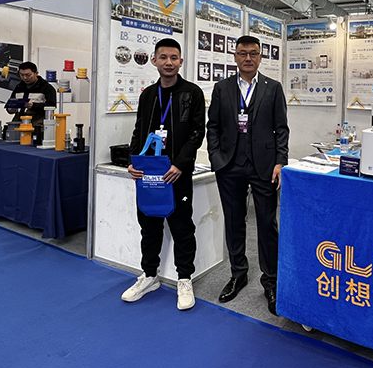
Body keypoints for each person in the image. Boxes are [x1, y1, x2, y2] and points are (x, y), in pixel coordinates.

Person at [207, 35, 289, 316]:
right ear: (235, 57)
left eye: (253, 53)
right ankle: (238, 274)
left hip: (264, 166)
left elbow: (281, 129)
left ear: (261, 57)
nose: (248, 58)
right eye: (243, 53)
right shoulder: (222, 88)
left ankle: (271, 282)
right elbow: (213, 126)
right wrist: (216, 158)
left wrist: (280, 161)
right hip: (229, 165)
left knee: (267, 224)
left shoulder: (273, 88)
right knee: (234, 222)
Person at [122, 38, 205, 311]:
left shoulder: (192, 93)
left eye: (173, 57)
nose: (168, 62)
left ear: (181, 61)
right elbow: (139, 130)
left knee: (182, 228)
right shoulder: (147, 95)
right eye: (163, 57)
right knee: (149, 226)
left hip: (176, 174)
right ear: (154, 60)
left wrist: (180, 164)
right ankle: (149, 276)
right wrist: (132, 161)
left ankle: (184, 278)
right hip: (149, 174)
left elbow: (197, 133)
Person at [6, 62, 57, 127]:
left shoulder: (46, 88)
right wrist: (10, 109)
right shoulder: (19, 87)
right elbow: (11, 102)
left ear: (36, 73)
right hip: (19, 122)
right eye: (22, 75)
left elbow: (52, 106)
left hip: (38, 123)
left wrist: (33, 106)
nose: (25, 78)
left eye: (28, 75)